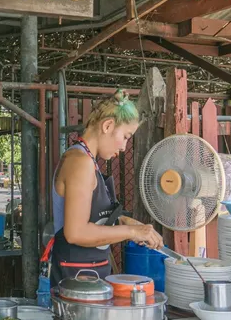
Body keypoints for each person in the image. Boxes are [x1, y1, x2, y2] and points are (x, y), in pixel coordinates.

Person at [51, 89, 163, 285]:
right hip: (75, 282)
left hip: (88, 275)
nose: (124, 147)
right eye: (126, 136)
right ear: (108, 125)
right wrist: (132, 232)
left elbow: (92, 216)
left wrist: (124, 220)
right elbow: (76, 232)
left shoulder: (88, 160)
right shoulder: (80, 162)